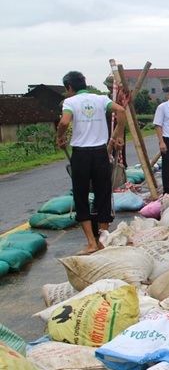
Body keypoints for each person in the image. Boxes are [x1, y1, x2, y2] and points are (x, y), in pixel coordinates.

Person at [56, 71, 125, 256]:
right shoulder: (100, 99)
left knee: (81, 196)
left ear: (69, 87)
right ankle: (103, 238)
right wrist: (118, 135)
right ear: (84, 83)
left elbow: (64, 121)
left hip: (81, 154)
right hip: (100, 153)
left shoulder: (70, 102)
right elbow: (121, 110)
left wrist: (60, 135)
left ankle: (91, 243)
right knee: (103, 192)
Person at [103, 75, 128, 168]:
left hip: (118, 127)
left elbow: (122, 112)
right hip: (109, 127)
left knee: (119, 148)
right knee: (111, 149)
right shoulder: (108, 99)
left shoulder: (121, 98)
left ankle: (120, 166)